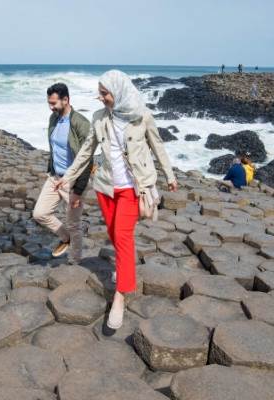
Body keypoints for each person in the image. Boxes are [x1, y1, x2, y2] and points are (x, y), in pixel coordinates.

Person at [54, 70, 178, 333]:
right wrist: (68, 176)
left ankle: (120, 294)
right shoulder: (100, 118)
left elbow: (158, 146)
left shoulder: (141, 116)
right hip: (106, 188)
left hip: (132, 189)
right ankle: (121, 270)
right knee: (113, 233)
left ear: (119, 91)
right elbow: (87, 151)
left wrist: (169, 175)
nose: (101, 98)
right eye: (100, 93)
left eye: (105, 93)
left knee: (122, 236)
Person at [32, 83, 92, 265]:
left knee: (74, 223)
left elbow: (88, 159)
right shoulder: (54, 118)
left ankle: (75, 262)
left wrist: (78, 190)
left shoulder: (81, 123)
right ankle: (66, 238)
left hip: (72, 181)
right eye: (49, 103)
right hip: (55, 177)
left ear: (66, 100)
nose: (51, 107)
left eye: (54, 103)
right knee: (40, 213)